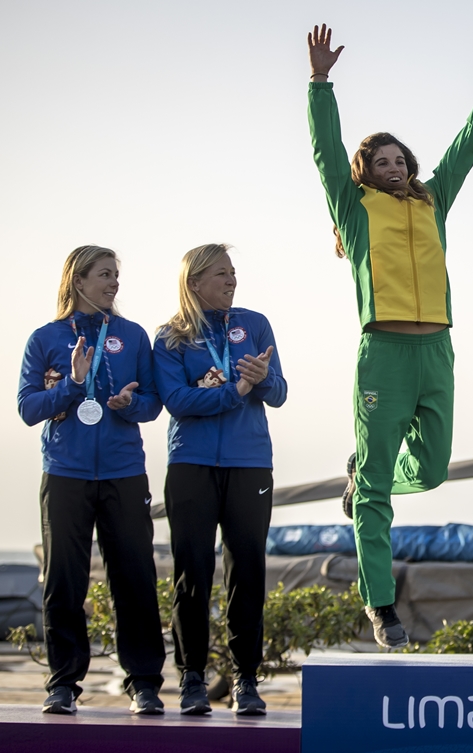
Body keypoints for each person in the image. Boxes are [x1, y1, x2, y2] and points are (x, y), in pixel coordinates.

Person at [305, 24, 473, 648]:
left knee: (435, 467)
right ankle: (381, 606)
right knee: (375, 497)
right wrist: (319, 84)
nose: (393, 168)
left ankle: (364, 474)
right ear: (365, 172)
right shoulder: (353, 206)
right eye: (381, 162)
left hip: (435, 350)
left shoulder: (431, 202)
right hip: (384, 354)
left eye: (400, 161)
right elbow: (326, 150)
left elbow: (465, 152)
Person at [17, 245, 166, 715]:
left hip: (124, 473)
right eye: (105, 275)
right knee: (63, 580)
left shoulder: (133, 336)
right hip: (65, 473)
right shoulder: (44, 339)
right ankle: (63, 683)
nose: (114, 283)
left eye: (116, 275)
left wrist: (128, 405)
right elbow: (28, 409)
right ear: (78, 281)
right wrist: (72, 386)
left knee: (136, 579)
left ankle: (143, 683)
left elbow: (152, 404)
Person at [153, 243, 285, 715]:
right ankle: (191, 679)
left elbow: (281, 392)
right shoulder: (170, 337)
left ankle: (245, 680)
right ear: (194, 282)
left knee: (247, 572)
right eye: (221, 274)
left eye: (233, 273)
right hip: (191, 464)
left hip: (250, 462)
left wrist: (262, 379)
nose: (232, 281)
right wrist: (237, 390)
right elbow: (178, 402)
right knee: (192, 574)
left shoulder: (256, 324)